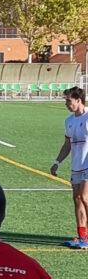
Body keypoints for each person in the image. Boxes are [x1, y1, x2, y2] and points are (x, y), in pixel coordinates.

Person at [50, 86, 88, 249]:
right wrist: (57, 162)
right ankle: (82, 237)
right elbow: (67, 145)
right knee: (77, 199)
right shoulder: (69, 121)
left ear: (78, 100)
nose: (66, 104)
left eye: (68, 100)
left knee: (85, 198)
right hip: (76, 166)